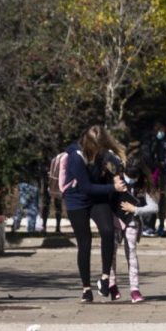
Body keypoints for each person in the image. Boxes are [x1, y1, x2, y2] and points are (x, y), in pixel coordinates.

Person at [62, 125, 127, 303]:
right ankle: (86, 289)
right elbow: (86, 187)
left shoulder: (103, 153)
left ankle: (105, 277)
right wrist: (112, 187)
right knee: (85, 242)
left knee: (107, 231)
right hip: (77, 200)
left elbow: (115, 166)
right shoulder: (75, 157)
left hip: (98, 198)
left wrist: (115, 172)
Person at [104, 156, 156, 304]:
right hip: (114, 222)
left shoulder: (142, 186)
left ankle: (135, 289)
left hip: (132, 222)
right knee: (111, 253)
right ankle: (112, 284)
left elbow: (154, 207)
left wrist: (136, 209)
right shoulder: (116, 180)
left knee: (131, 254)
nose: (130, 179)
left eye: (134, 177)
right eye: (128, 176)